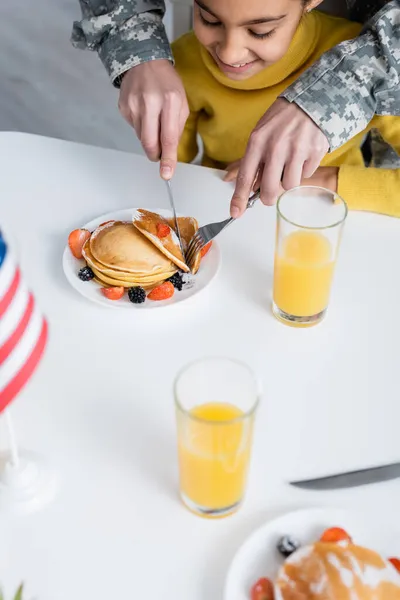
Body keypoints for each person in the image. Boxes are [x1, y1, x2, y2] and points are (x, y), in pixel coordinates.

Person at [72, 1, 400, 215]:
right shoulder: (182, 64)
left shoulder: (372, 67)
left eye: (261, 31)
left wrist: (323, 182)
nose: (229, 54)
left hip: (337, 222)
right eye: (208, 19)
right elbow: (173, 180)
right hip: (219, 210)